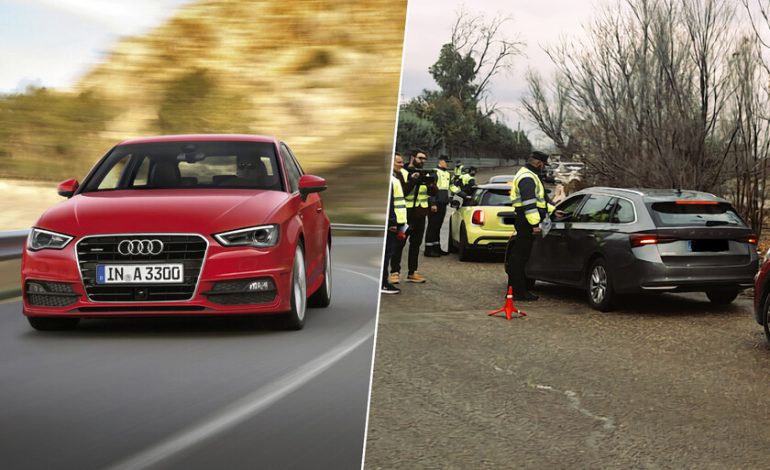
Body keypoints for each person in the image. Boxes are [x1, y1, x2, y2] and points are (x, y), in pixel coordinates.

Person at [505, 151, 556, 301]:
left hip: (525, 220)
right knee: (520, 258)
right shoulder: (527, 177)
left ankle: (516, 291)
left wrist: (554, 210)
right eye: (543, 165)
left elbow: (540, 201)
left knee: (519, 257)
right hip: (526, 221)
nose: (544, 167)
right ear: (538, 163)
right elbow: (529, 204)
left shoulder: (529, 174)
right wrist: (534, 224)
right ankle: (518, 292)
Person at [389, 149, 436, 284]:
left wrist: (430, 183)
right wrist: (414, 180)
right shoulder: (401, 173)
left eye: (424, 159)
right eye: (420, 158)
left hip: (420, 214)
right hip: (406, 215)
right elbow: (404, 192)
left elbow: (433, 193)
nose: (423, 161)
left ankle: (412, 272)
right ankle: (395, 272)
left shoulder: (425, 173)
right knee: (399, 244)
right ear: (413, 157)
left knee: (416, 244)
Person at [382, 152, 408, 294]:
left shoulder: (395, 178)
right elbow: (390, 204)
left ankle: (383, 283)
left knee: (388, 253)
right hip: (392, 222)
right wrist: (392, 222)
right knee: (386, 254)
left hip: (396, 221)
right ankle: (383, 284)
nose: (401, 164)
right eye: (398, 162)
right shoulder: (392, 180)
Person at [424, 155, 451, 257]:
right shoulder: (434, 173)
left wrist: (464, 195)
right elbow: (430, 189)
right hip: (435, 204)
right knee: (432, 226)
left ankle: (437, 248)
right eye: (446, 161)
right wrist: (433, 203)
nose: (448, 163)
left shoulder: (447, 174)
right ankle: (428, 249)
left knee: (438, 226)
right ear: (440, 161)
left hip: (443, 203)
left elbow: (451, 187)